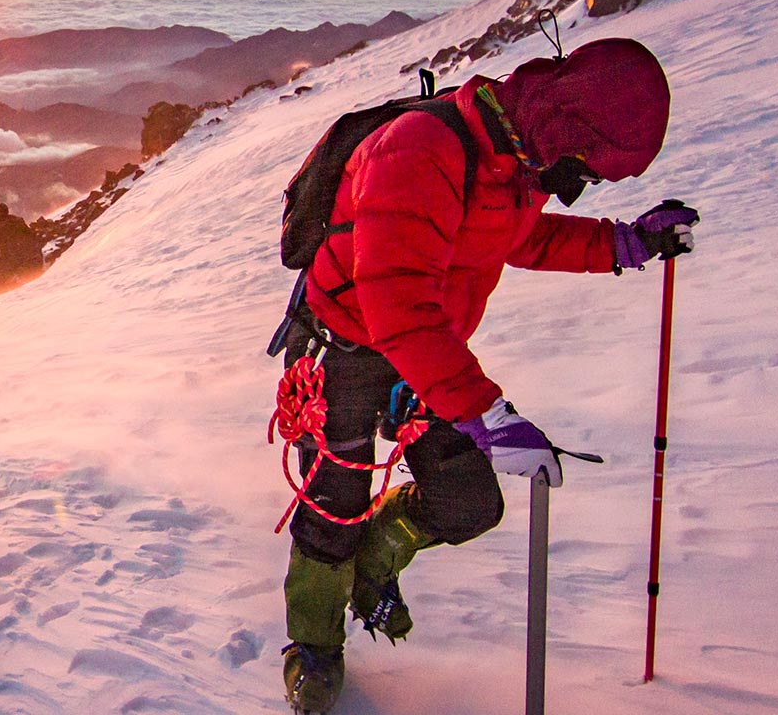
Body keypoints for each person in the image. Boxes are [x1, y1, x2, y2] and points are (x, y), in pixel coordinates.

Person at [274, 38, 700, 712]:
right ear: (569, 131)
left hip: (427, 351)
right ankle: (315, 651)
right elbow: (397, 304)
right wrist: (487, 414)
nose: (579, 185)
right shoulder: (422, 150)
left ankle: (373, 563)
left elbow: (524, 239)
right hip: (350, 346)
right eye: (588, 168)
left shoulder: (514, 166)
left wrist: (626, 242)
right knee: (337, 504)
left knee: (468, 501)